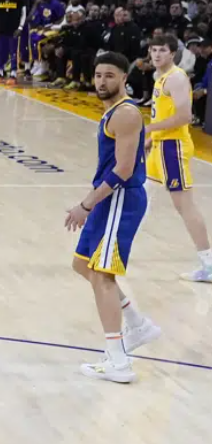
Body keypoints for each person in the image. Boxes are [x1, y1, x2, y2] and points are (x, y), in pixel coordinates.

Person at [65, 53, 159, 384]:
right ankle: (137, 323)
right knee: (82, 265)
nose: (101, 81)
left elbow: (123, 169)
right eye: (98, 75)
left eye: (109, 75)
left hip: (120, 199)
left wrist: (86, 204)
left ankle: (118, 361)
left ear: (123, 77)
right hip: (110, 199)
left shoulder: (126, 113)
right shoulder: (115, 113)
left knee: (101, 276)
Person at [143, 35, 212, 281]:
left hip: (173, 148)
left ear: (173, 53)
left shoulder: (176, 78)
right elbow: (163, 113)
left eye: (162, 50)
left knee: (184, 206)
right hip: (160, 146)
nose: (157, 54)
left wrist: (149, 130)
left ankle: (208, 263)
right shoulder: (160, 78)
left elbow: (184, 116)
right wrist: (152, 138)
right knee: (142, 196)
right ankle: (115, 248)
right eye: (154, 50)